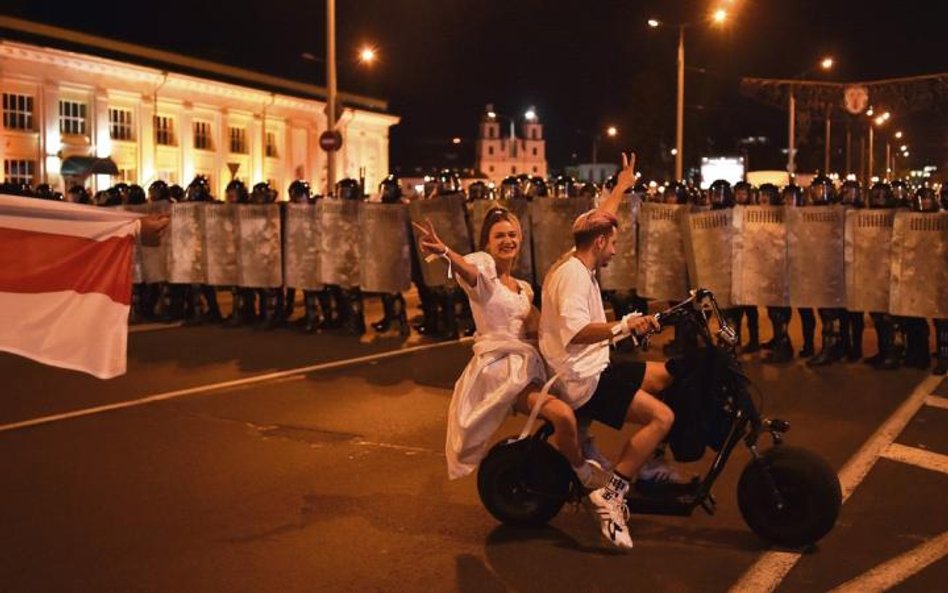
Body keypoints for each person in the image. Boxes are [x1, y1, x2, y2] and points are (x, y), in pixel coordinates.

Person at [539, 152, 686, 550]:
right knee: (662, 417)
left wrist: (621, 186)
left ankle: (650, 463)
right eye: (615, 243)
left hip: (596, 363)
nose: (616, 251)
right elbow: (577, 333)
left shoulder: (577, 258)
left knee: (667, 374)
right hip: (582, 379)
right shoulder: (572, 276)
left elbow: (602, 217)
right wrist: (624, 325)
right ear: (600, 242)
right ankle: (612, 493)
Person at [416, 207, 610, 490]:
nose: (507, 240)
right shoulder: (485, 278)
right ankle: (585, 476)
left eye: (512, 234)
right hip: (504, 370)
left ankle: (583, 445)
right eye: (499, 236)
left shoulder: (523, 288)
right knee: (562, 415)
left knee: (588, 394)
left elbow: (578, 253)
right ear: (487, 244)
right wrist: (446, 251)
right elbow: (469, 271)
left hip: (530, 364)